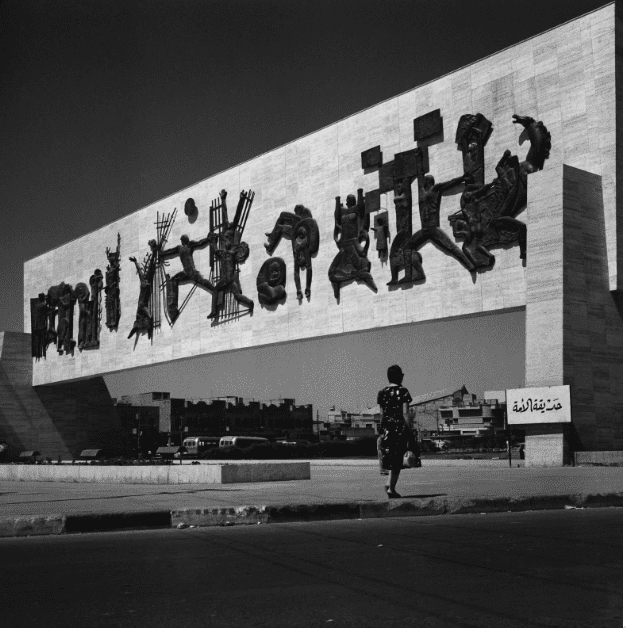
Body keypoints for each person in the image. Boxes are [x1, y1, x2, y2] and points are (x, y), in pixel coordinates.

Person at [377, 365, 413, 498]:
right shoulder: (403, 391)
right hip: (399, 429)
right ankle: (391, 488)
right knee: (397, 460)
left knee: (390, 458)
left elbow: (381, 414)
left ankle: (388, 483)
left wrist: (381, 429)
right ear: (398, 376)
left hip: (386, 429)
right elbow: (405, 413)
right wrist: (409, 429)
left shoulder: (382, 393)